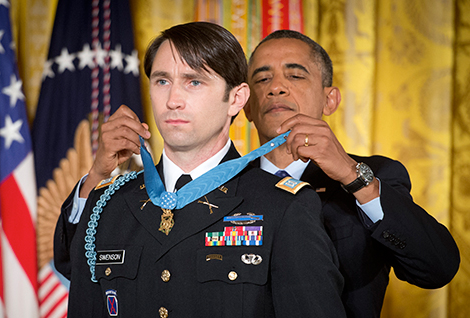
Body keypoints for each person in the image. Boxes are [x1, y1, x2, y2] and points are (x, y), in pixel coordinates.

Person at [54, 22, 346, 317]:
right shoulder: (107, 204)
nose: (173, 101)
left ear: (236, 99)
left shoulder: (283, 207)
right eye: (162, 81)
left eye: (194, 82)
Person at [243, 30, 460, 317]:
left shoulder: (375, 175)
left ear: (329, 100)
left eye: (295, 76)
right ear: (245, 106)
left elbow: (437, 268)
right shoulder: (221, 185)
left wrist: (352, 175)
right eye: (262, 79)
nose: (276, 88)